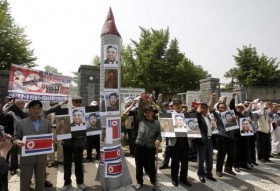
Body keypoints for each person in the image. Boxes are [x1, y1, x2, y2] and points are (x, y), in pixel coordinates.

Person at [14, 100, 52, 191]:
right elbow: (16, 138)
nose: (35, 110)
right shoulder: (21, 123)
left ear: (41, 110)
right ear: (29, 109)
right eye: (33, 108)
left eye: (38, 108)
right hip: (27, 157)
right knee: (25, 182)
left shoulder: (46, 123)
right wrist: (17, 142)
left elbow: (50, 137)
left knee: (40, 181)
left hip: (41, 158)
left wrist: (52, 140)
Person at [134, 95, 161, 191]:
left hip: (150, 147)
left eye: (149, 112)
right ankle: (139, 181)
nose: (147, 114)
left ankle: (154, 181)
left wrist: (158, 139)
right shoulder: (141, 119)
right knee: (139, 165)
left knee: (151, 166)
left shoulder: (157, 123)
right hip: (139, 146)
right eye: (146, 112)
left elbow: (159, 134)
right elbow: (140, 109)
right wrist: (141, 99)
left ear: (153, 113)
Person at [61, 95, 87, 191]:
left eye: (80, 102)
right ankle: (67, 183)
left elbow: (90, 128)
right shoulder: (66, 112)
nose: (78, 103)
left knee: (79, 164)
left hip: (79, 143)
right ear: (72, 102)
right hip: (67, 143)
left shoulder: (85, 113)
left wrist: (84, 134)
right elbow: (61, 126)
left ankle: (80, 182)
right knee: (67, 164)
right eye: (76, 102)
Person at [209, 93, 236, 177]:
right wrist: (212, 98)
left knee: (232, 153)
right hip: (221, 136)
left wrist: (235, 119)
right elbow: (210, 108)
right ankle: (219, 170)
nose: (222, 109)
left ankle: (228, 168)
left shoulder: (230, 114)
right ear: (218, 109)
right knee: (221, 154)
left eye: (223, 108)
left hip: (230, 136)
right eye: (220, 108)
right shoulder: (217, 115)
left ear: (226, 108)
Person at [169, 99, 192, 187]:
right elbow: (166, 127)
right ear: (173, 106)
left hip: (185, 142)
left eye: (179, 104)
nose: (178, 106)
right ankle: (174, 179)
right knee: (175, 162)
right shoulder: (170, 115)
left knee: (185, 162)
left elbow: (191, 125)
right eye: (175, 104)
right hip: (175, 142)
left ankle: (183, 179)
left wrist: (193, 133)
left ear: (181, 105)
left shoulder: (186, 115)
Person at [195, 102, 217, 183]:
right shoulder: (198, 116)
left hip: (210, 139)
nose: (205, 109)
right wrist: (198, 110)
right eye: (203, 108)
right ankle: (200, 174)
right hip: (202, 140)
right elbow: (193, 113)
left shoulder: (208, 117)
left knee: (210, 158)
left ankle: (209, 174)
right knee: (201, 158)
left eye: (206, 108)